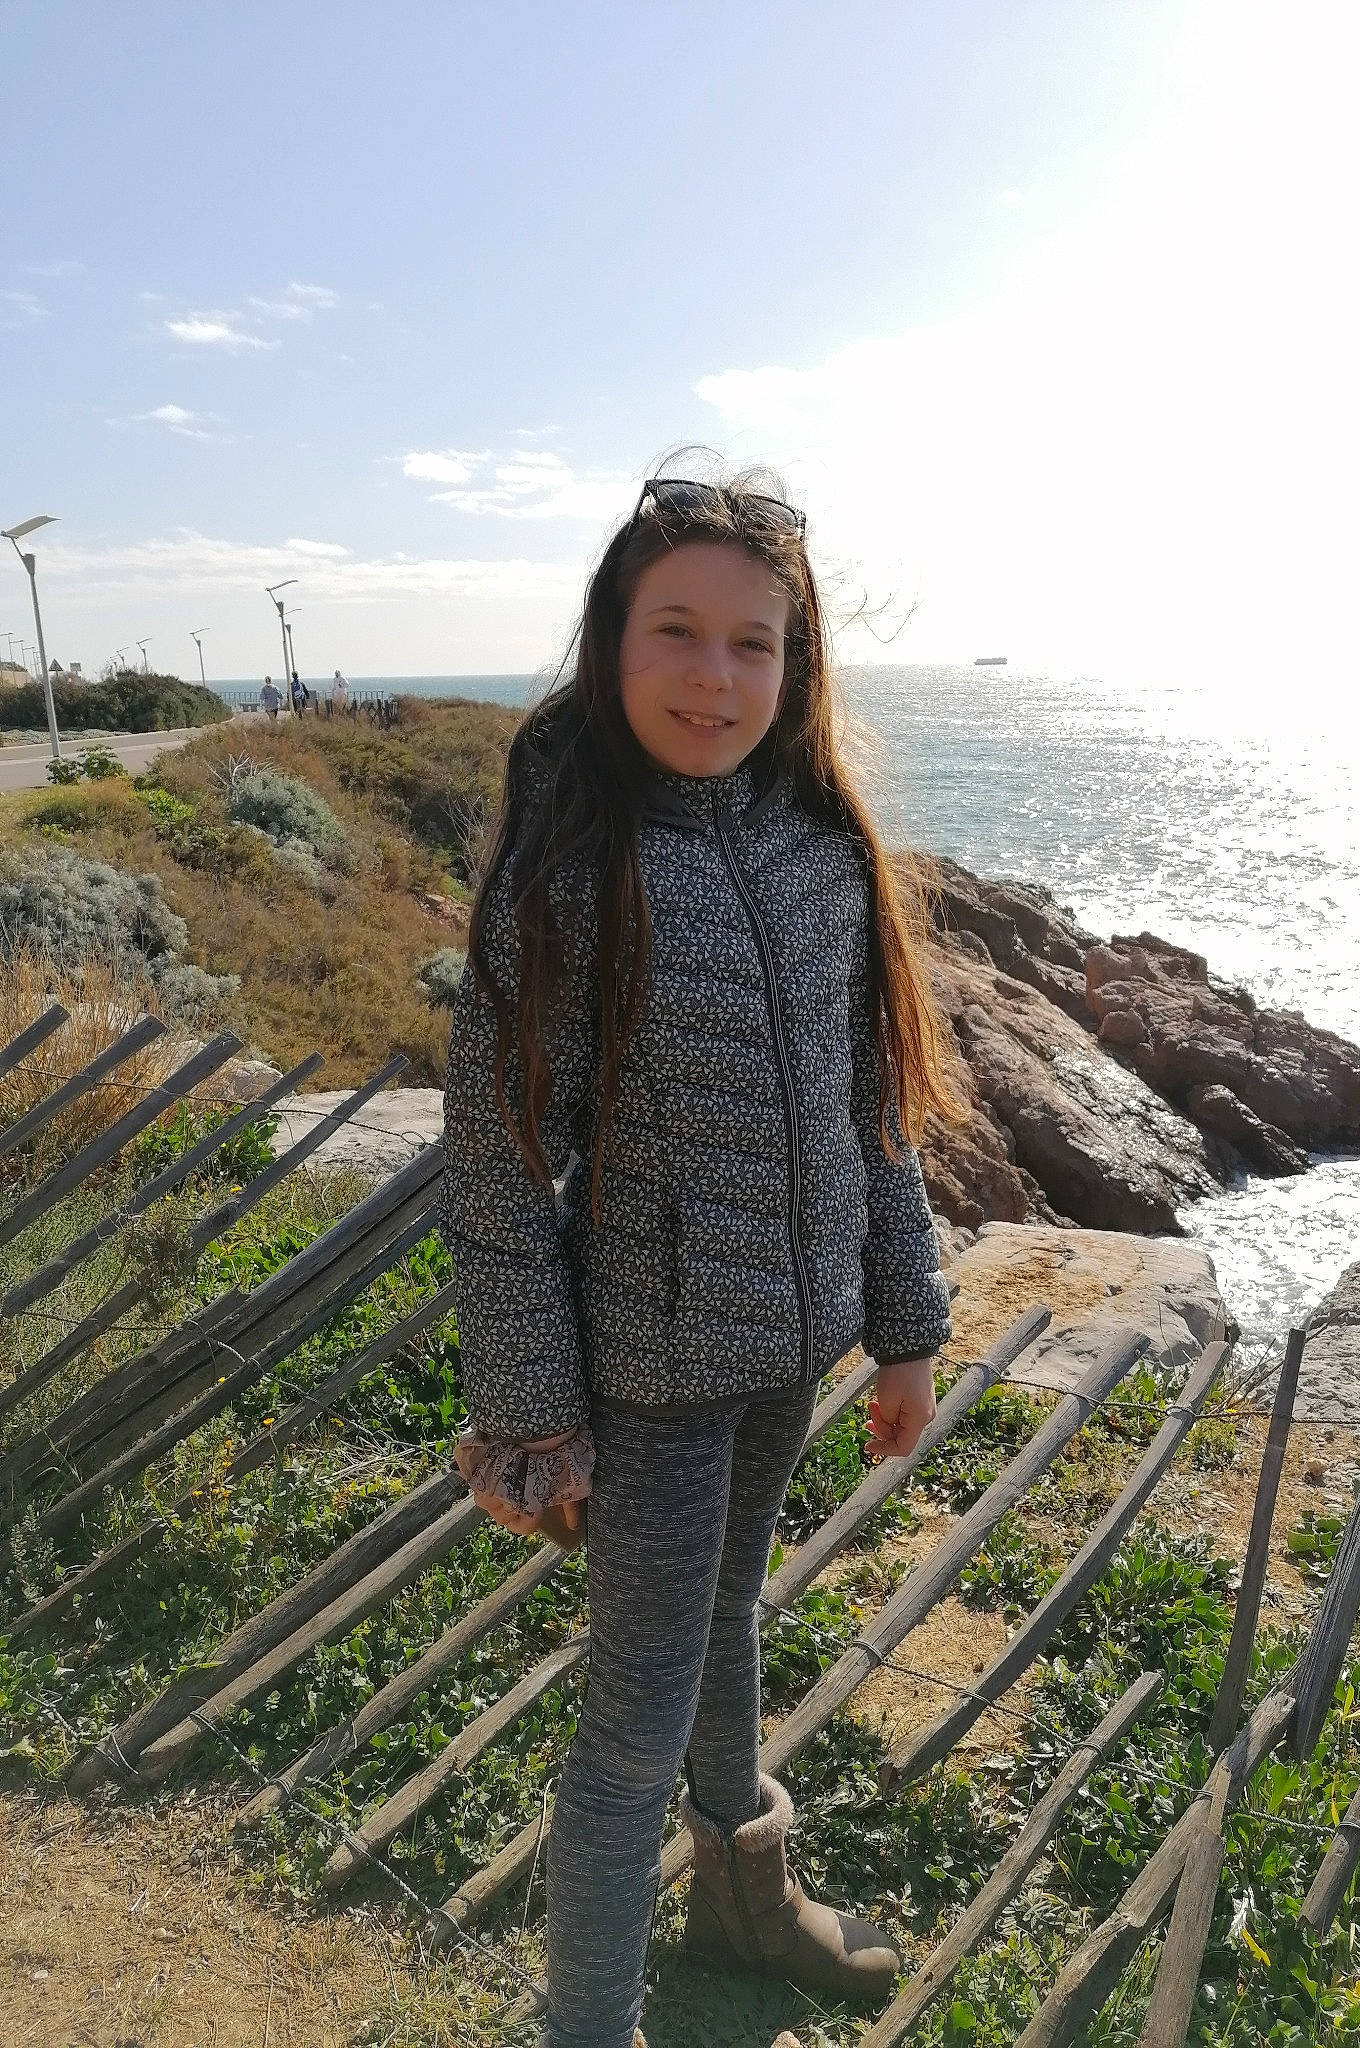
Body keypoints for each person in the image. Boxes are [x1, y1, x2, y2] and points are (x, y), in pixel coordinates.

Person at [442, 469, 963, 2048]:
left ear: (798, 666)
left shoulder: (818, 848)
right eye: (676, 631)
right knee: (627, 1730)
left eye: (756, 643)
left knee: (733, 1625)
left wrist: (905, 1326)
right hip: (652, 1381)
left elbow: (872, 1103)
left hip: (784, 1351)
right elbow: (490, 1161)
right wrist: (532, 1412)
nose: (714, 677)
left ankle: (747, 1895)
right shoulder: (570, 869)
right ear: (610, 641)